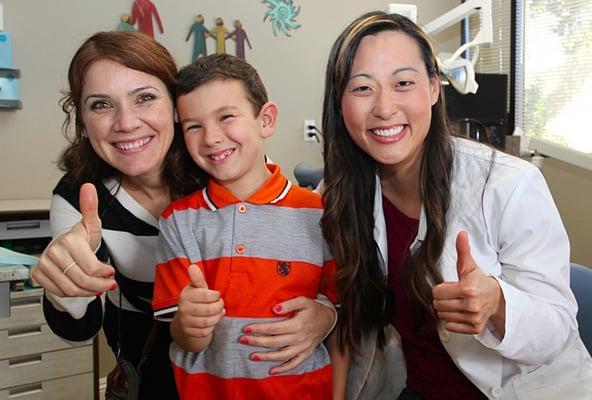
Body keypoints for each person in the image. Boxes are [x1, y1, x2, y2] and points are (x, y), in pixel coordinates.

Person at [30, 31, 337, 400]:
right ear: (81, 118)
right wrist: (67, 281)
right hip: (151, 367)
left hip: (250, 371)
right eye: (100, 105)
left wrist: (326, 314)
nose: (126, 122)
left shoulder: (223, 164)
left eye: (144, 98)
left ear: (173, 108)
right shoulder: (81, 196)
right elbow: (76, 330)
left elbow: (300, 263)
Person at [320, 11, 592, 400]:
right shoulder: (341, 194)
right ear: (340, 102)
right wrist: (321, 315)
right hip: (414, 388)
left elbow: (556, 329)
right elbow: (337, 299)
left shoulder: (508, 185)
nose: (384, 107)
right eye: (362, 88)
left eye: (403, 83)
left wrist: (497, 303)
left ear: (433, 88)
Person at [152, 53, 347, 400]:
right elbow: (183, 336)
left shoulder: (320, 215)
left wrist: (328, 316)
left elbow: (341, 312)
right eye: (193, 126)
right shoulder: (178, 222)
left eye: (226, 116)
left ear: (266, 119)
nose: (211, 137)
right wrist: (190, 323)